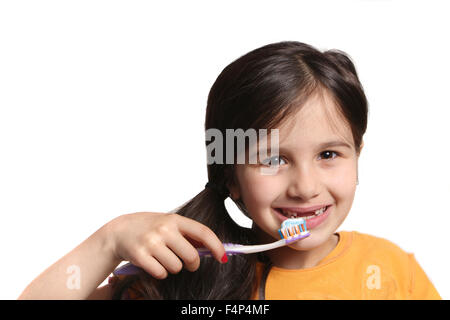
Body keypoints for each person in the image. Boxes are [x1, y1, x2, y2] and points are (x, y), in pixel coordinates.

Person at [18, 41, 441, 300]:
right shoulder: (186, 276)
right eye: (273, 159)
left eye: (329, 155)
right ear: (231, 177)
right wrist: (110, 240)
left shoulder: (390, 272)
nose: (307, 187)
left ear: (358, 154)